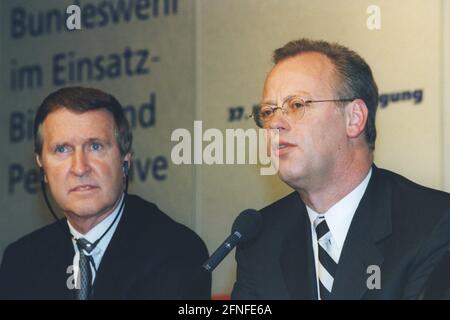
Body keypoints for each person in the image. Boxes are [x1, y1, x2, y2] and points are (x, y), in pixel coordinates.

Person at [232, 39, 450, 300]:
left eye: (297, 105)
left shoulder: (433, 223)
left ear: (354, 118)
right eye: (268, 112)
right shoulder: (260, 239)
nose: (275, 124)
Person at [0, 87, 211, 300]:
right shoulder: (20, 262)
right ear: (42, 166)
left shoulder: (177, 252)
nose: (80, 168)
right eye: (62, 149)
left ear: (125, 160)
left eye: (95, 146)